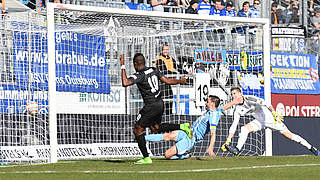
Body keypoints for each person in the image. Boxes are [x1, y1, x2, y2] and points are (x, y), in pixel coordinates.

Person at [120, 53, 192, 164]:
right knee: (155, 128)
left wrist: (122, 65)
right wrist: (180, 81)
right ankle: (182, 126)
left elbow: (125, 83)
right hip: (160, 104)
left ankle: (146, 157)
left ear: (135, 64)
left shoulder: (140, 75)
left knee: (138, 130)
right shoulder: (154, 70)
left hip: (150, 106)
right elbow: (167, 81)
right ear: (144, 62)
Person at [221, 87, 319, 156]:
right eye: (232, 94)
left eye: (235, 93)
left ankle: (311, 147)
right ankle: (237, 149)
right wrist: (229, 139)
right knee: (244, 129)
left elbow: (266, 103)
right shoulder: (237, 109)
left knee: (290, 136)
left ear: (240, 93)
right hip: (259, 121)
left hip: (271, 119)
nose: (233, 96)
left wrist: (274, 113)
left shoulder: (249, 99)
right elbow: (234, 125)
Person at [145, 95, 243, 160]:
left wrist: (210, 148)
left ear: (212, 104)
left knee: (167, 155)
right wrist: (234, 102)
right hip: (187, 132)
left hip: (191, 139)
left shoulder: (213, 117)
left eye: (207, 102)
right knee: (167, 135)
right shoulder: (216, 110)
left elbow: (213, 133)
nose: (205, 103)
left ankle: (185, 155)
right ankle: (142, 138)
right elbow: (224, 107)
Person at [155, 45, 178, 115]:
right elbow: (165, 71)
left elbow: (178, 68)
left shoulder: (171, 59)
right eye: (164, 49)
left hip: (168, 83)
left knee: (170, 99)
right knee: (163, 101)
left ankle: (169, 116)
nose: (166, 51)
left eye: (167, 49)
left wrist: (187, 73)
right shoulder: (160, 60)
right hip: (161, 83)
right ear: (162, 50)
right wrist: (175, 73)